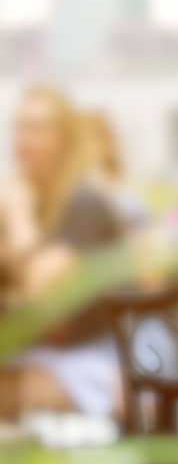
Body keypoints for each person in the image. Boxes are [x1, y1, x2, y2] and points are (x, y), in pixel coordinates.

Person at [0, 86, 127, 417]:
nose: (22, 142)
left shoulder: (86, 203)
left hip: (95, 364)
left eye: (37, 129)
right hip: (34, 358)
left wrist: (20, 219)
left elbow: (42, 291)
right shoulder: (28, 203)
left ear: (66, 141)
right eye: (19, 128)